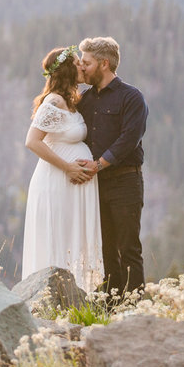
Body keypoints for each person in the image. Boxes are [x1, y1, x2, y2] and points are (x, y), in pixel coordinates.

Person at [20, 44, 103, 291]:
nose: (81, 66)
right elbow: (32, 141)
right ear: (67, 69)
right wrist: (68, 167)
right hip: (56, 181)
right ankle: (51, 296)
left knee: (72, 237)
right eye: (77, 62)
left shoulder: (71, 102)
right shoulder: (54, 101)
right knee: (59, 236)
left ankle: (76, 295)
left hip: (71, 183)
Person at [73, 36, 148, 297]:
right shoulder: (85, 99)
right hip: (96, 183)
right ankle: (111, 305)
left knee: (128, 248)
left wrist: (98, 164)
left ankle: (135, 307)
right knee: (105, 248)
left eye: (87, 63)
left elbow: (130, 138)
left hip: (126, 182)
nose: (82, 68)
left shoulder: (131, 97)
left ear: (104, 64)